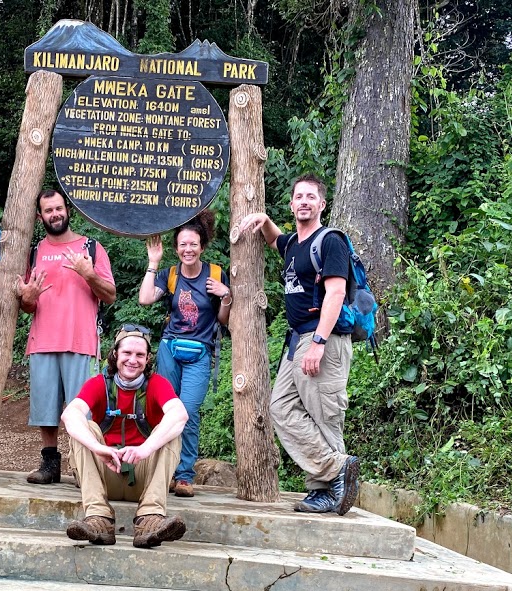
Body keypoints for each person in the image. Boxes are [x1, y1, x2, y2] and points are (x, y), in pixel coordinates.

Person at [237, 173, 360, 515]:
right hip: (297, 340)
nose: (304, 201)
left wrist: (319, 341)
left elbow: (335, 292)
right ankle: (336, 470)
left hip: (323, 337)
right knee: (281, 407)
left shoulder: (330, 241)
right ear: (291, 204)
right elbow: (275, 240)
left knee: (325, 415)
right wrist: (264, 221)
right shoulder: (293, 244)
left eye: (311, 197)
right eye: (298, 197)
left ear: (322, 204)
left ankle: (327, 491)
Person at [60, 326, 188, 548]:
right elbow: (70, 414)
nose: (133, 360)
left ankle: (150, 519)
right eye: (127, 353)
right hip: (104, 474)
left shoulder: (157, 384)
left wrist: (144, 449)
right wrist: (98, 448)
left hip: (144, 477)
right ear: (115, 354)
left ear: (148, 359)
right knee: (84, 428)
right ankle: (98, 519)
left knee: (169, 432)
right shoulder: (99, 383)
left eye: (140, 355)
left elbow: (179, 414)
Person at [19, 189, 116, 484]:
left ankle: (82, 466)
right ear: (40, 217)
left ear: (67, 209)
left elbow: (110, 295)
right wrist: (29, 298)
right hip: (43, 340)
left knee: (83, 410)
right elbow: (26, 304)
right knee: (45, 410)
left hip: (82, 340)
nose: (55, 214)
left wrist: (89, 274)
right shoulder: (34, 252)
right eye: (48, 211)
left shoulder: (91, 248)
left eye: (59, 208)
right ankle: (50, 464)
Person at [139, 211, 231, 498]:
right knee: (166, 411)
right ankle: (162, 471)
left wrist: (226, 295)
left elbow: (224, 320)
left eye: (193, 244)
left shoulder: (215, 275)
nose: (187, 250)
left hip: (200, 352)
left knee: (187, 413)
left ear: (202, 246)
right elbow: (144, 299)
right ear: (176, 248)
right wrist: (153, 264)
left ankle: (184, 475)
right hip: (170, 349)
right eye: (182, 245)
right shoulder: (171, 275)